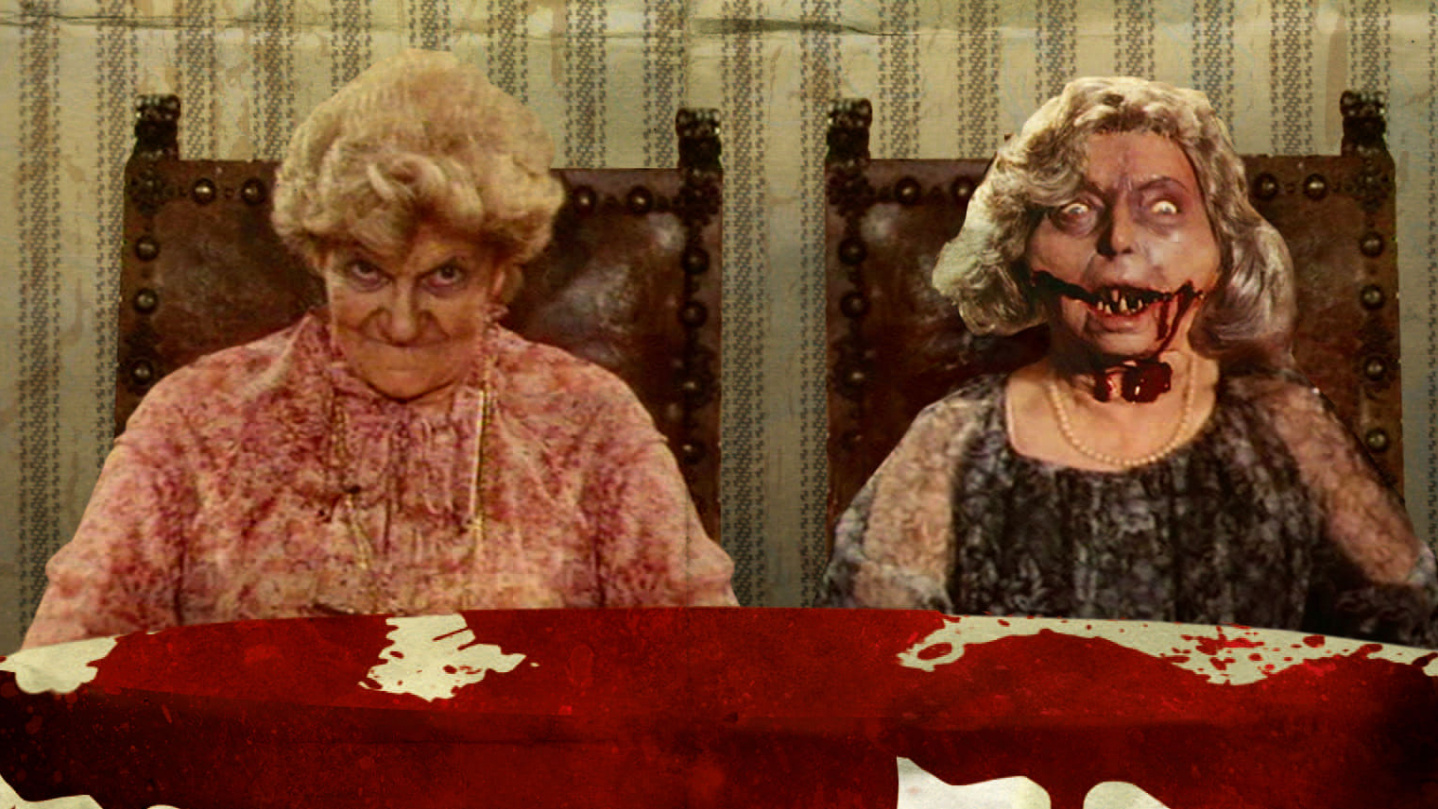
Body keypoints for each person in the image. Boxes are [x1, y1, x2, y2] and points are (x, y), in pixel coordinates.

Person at [24, 50, 736, 648]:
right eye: (365, 270)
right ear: (319, 258)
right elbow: (65, 670)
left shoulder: (592, 423)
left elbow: (707, 669)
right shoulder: (193, 419)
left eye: (445, 276)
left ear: (500, 272)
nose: (400, 323)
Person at [823, 76, 1436, 646]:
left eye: (1164, 208)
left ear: (1219, 250)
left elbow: (1413, 638)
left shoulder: (1290, 425)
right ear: (1022, 252)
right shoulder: (952, 438)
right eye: (1074, 212)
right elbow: (869, 658)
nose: (1118, 240)